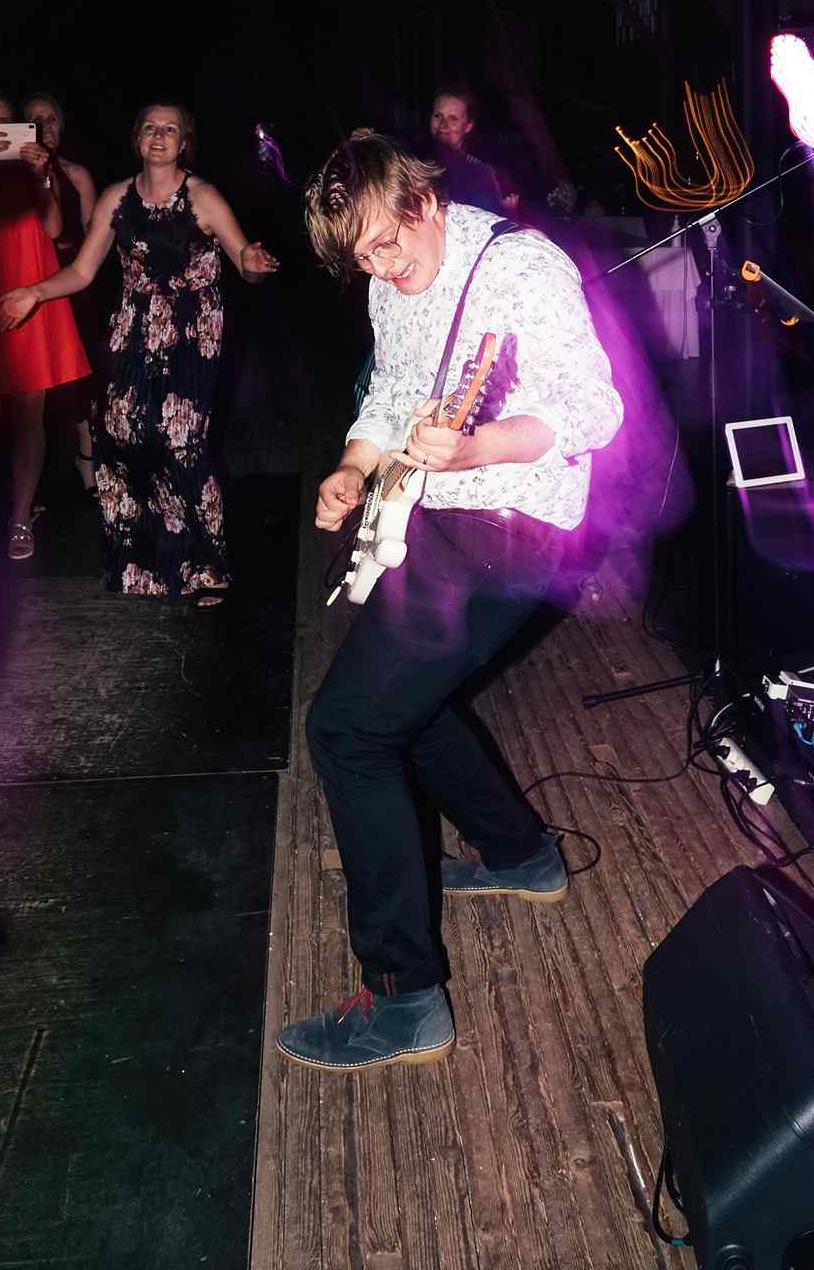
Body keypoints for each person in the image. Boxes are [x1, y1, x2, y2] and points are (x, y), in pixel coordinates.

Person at [279, 131, 622, 1072]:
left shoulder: (520, 270)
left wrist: (476, 449)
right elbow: (392, 390)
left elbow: (594, 409)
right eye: (361, 261)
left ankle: (404, 1000)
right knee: (404, 705)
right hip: (437, 516)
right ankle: (519, 855)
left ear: (423, 201)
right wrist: (353, 468)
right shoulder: (388, 279)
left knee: (346, 730)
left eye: (387, 246)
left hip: (512, 527)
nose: (380, 271)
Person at [0, 100, 279, 604]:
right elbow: (82, 271)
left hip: (193, 330)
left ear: (183, 142)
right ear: (137, 139)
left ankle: (207, 564)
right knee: (119, 429)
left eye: (170, 129)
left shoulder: (202, 196)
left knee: (180, 437)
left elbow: (245, 263)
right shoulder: (116, 198)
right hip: (132, 326)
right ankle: (142, 564)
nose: (159, 135)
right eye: (150, 127)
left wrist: (254, 263)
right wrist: (34, 292)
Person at [0, 89, 90, 561]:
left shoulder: (33, 171)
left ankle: (20, 516)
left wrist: (42, 177)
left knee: (30, 416)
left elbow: (53, 229)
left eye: (4, 121)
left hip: (31, 293)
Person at [23, 90, 98, 494]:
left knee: (77, 378)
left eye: (50, 119)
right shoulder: (9, 175)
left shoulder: (77, 174)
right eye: (34, 120)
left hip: (70, 282)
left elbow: (93, 237)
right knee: (33, 388)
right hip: (25, 279)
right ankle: (39, 479)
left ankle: (87, 462)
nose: (44, 127)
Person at [430, 83, 504, 215]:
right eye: (437, 116)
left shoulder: (481, 176)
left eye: (453, 119)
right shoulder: (414, 165)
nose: (443, 125)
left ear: (468, 126)